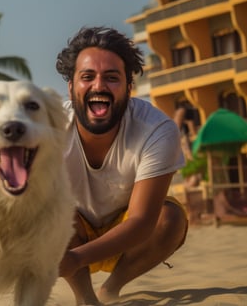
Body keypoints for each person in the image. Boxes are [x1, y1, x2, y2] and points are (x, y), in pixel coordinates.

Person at [56, 26, 189, 306]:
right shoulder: (49, 127)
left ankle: (111, 289)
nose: (99, 86)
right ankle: (85, 298)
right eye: (87, 76)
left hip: (127, 230)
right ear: (70, 87)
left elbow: (141, 221)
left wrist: (76, 258)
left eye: (112, 78)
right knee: (51, 210)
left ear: (130, 88)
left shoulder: (158, 130)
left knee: (171, 219)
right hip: (72, 229)